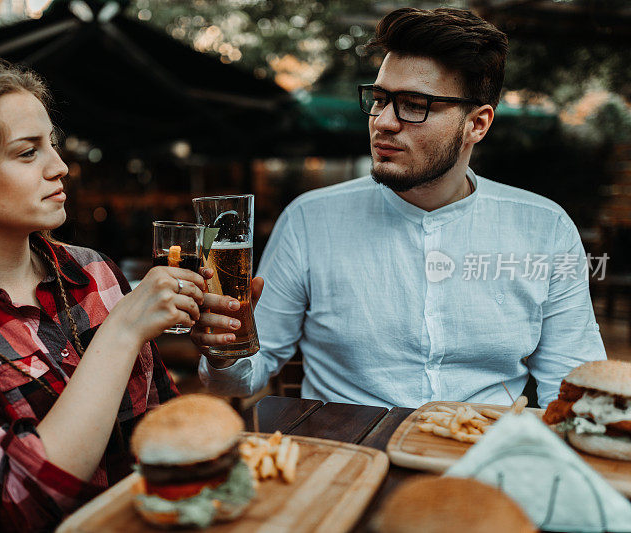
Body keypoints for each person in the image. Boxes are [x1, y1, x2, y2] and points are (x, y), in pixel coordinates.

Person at [0, 60, 233, 532]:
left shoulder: (94, 272)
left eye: (52, 143)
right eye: (28, 153)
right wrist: (123, 330)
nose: (60, 167)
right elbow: (15, 506)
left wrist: (223, 356)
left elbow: (163, 438)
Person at [195, 8, 606, 409]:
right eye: (379, 99)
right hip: (347, 455)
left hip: (481, 455)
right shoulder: (310, 220)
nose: (383, 122)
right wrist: (225, 353)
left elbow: (573, 385)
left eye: (413, 104)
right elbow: (246, 377)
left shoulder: (544, 229)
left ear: (477, 124)